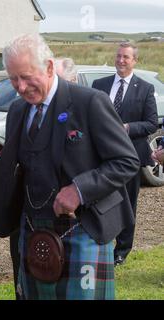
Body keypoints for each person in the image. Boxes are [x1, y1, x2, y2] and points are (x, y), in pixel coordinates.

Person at [0, 34, 140, 300]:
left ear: (48, 67)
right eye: (13, 79)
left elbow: (126, 161)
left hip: (81, 230)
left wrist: (79, 190)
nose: (20, 87)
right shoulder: (18, 111)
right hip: (32, 231)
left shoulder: (89, 103)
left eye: (26, 77)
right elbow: (18, 170)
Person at [92, 42, 158, 267]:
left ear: (134, 61)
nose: (121, 60)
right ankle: (101, 244)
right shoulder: (99, 85)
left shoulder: (145, 88)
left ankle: (122, 250)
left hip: (130, 157)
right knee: (101, 201)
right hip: (101, 155)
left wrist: (127, 128)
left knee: (128, 203)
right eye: (118, 56)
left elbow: (150, 124)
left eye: (126, 57)